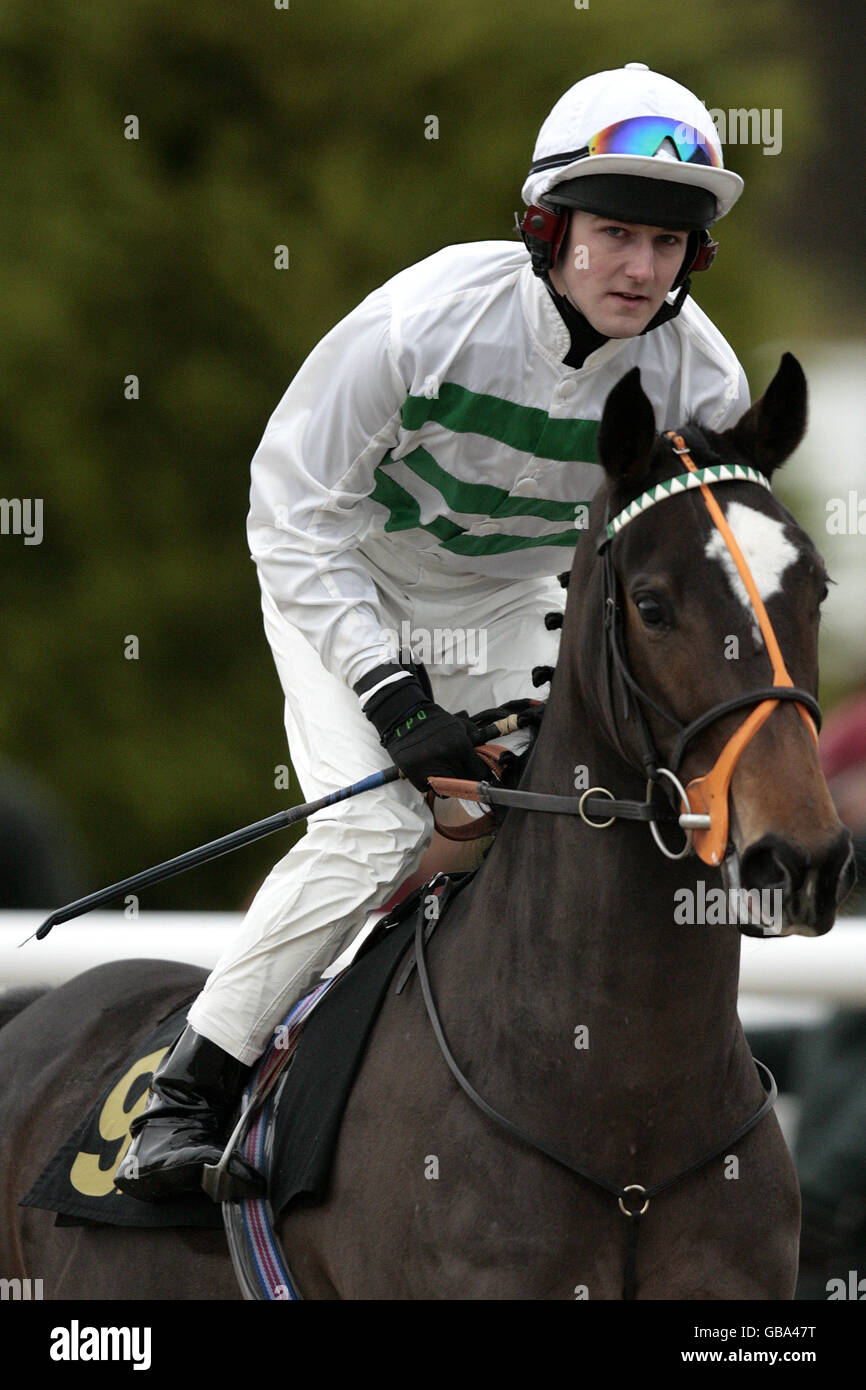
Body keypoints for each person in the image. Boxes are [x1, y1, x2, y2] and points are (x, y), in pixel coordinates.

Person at [116, 62, 750, 1200]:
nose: (640, 269)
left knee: (573, 822)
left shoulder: (698, 377)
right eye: (613, 234)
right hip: (343, 577)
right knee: (374, 830)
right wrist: (390, 694)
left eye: (666, 247)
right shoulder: (423, 320)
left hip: (506, 599)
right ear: (547, 225)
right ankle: (190, 1085)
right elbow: (291, 514)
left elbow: (677, 569)